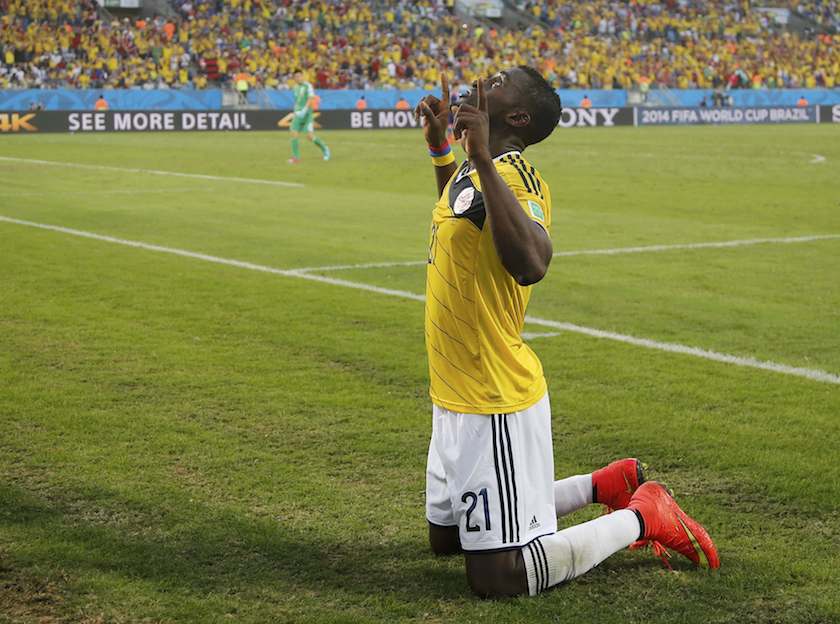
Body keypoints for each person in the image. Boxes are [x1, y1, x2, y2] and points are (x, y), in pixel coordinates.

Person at [415, 66, 719, 598]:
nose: (483, 78)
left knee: (499, 579)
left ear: (517, 116)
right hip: (452, 389)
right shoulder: (475, 170)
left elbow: (531, 262)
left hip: (493, 395)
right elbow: (462, 217)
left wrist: (480, 157)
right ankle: (604, 484)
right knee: (447, 539)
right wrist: (446, 153)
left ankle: (645, 516)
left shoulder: (517, 176)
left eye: (500, 79)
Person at [288, 69, 330, 164]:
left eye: (299, 76)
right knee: (294, 134)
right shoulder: (295, 87)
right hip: (298, 114)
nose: (298, 78)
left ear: (302, 76)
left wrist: (304, 109)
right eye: (296, 77)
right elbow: (297, 101)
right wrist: (296, 110)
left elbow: (311, 98)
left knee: (309, 136)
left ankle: (325, 149)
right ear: (294, 78)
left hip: (307, 115)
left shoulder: (308, 86)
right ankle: (296, 157)